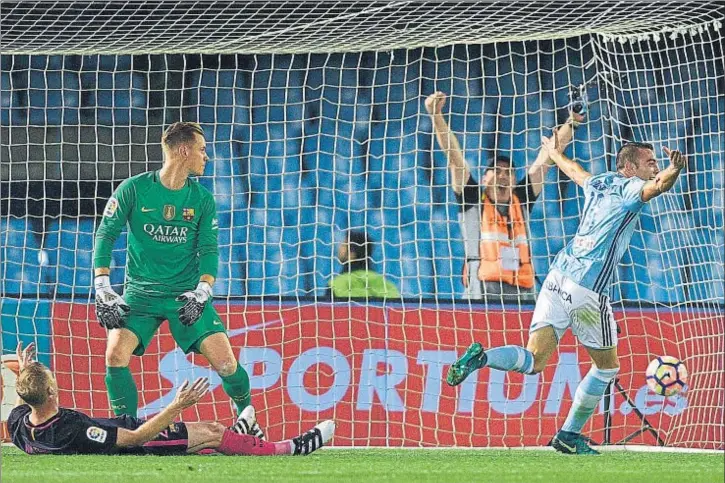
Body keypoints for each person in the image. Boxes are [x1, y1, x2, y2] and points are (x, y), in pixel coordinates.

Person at [447, 132, 687, 454]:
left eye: (656, 163)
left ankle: (483, 357)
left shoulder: (600, 183)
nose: (654, 167)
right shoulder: (631, 189)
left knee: (534, 360)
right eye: (650, 162)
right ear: (629, 168)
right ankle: (569, 435)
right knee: (607, 368)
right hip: (586, 288)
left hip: (557, 277)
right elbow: (657, 186)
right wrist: (674, 170)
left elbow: (576, 172)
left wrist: (554, 153)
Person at [93, 122, 253, 427]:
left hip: (185, 297)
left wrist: (203, 290)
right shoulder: (134, 188)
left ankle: (247, 418)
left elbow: (209, 250)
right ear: (183, 150)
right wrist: (102, 286)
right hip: (140, 294)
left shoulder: (202, 199)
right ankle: (128, 430)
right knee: (114, 355)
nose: (206, 157)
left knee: (227, 363)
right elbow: (106, 234)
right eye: (202, 150)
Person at [8, 342, 334, 456]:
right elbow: (135, 438)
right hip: (139, 442)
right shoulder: (71, 427)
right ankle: (290, 449)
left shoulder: (19, 425)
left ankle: (244, 434)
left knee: (208, 439)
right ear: (51, 392)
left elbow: (28, 396)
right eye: (51, 379)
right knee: (213, 432)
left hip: (124, 430)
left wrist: (26, 370)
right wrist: (176, 406)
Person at [424, 90, 587, 301]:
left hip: (523, 292)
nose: (503, 176)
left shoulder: (521, 199)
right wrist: (436, 116)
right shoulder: (473, 199)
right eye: (497, 171)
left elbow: (546, 159)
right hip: (482, 290)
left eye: (508, 172)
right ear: (484, 179)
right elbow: (454, 159)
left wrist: (573, 121)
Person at [328, 230, 401, 299]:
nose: (339, 248)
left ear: (352, 254)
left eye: (343, 245)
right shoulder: (387, 285)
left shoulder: (336, 284)